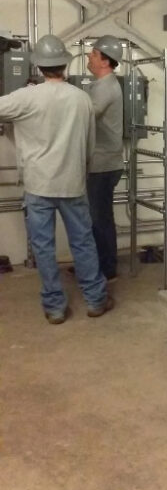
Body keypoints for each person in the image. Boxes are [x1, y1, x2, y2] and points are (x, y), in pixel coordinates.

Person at [0, 34, 112, 323]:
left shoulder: (25, 97)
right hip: (72, 183)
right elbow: (89, 146)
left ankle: (54, 307)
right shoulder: (82, 99)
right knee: (83, 242)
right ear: (65, 64)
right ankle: (96, 300)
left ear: (37, 67)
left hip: (38, 185)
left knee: (44, 248)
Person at [85, 35, 125, 282]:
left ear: (104, 61)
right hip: (100, 162)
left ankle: (106, 268)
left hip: (103, 164)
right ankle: (94, 264)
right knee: (96, 217)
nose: (89, 56)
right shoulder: (101, 85)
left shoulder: (106, 87)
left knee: (100, 219)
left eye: (93, 54)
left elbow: (86, 116)